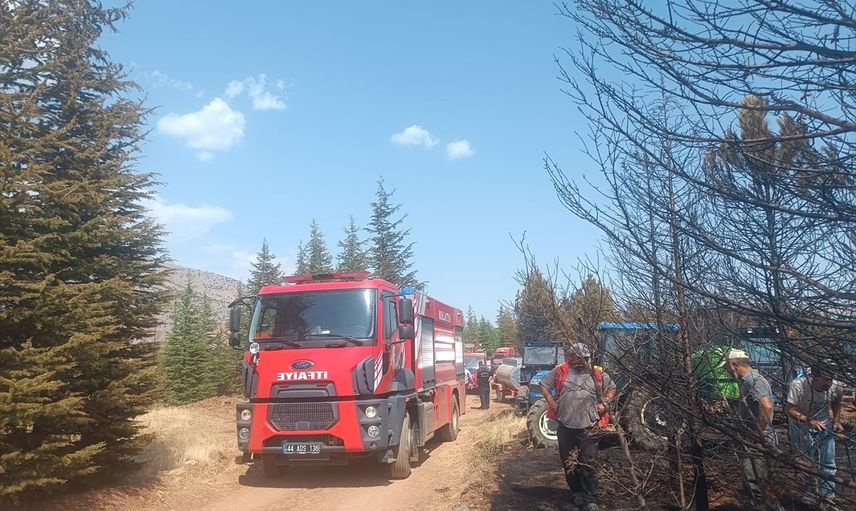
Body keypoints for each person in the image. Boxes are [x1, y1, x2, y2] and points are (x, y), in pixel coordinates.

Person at [539, 343, 616, 511]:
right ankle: (577, 493)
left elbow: (612, 388)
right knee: (569, 462)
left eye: (586, 358)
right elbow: (543, 384)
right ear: (571, 357)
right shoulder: (561, 371)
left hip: (590, 426)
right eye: (579, 358)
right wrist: (552, 402)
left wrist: (604, 403)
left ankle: (590, 498)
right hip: (566, 425)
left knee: (588, 462)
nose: (583, 361)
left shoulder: (596, 373)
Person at [721, 349, 782, 511]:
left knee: (756, 484)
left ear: (735, 364)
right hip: (754, 440)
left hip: (758, 442)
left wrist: (757, 434)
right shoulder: (747, 381)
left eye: (727, 368)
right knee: (758, 484)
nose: (727, 372)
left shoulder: (754, 381)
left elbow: (767, 406)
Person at [785, 365, 845, 509]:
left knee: (828, 462)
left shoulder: (836, 386)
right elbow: (790, 409)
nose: (829, 383)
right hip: (801, 425)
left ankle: (828, 497)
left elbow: (836, 402)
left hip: (824, 425)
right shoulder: (798, 385)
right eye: (825, 379)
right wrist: (809, 420)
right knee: (807, 461)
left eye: (830, 379)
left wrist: (836, 420)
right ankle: (810, 493)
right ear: (815, 377)